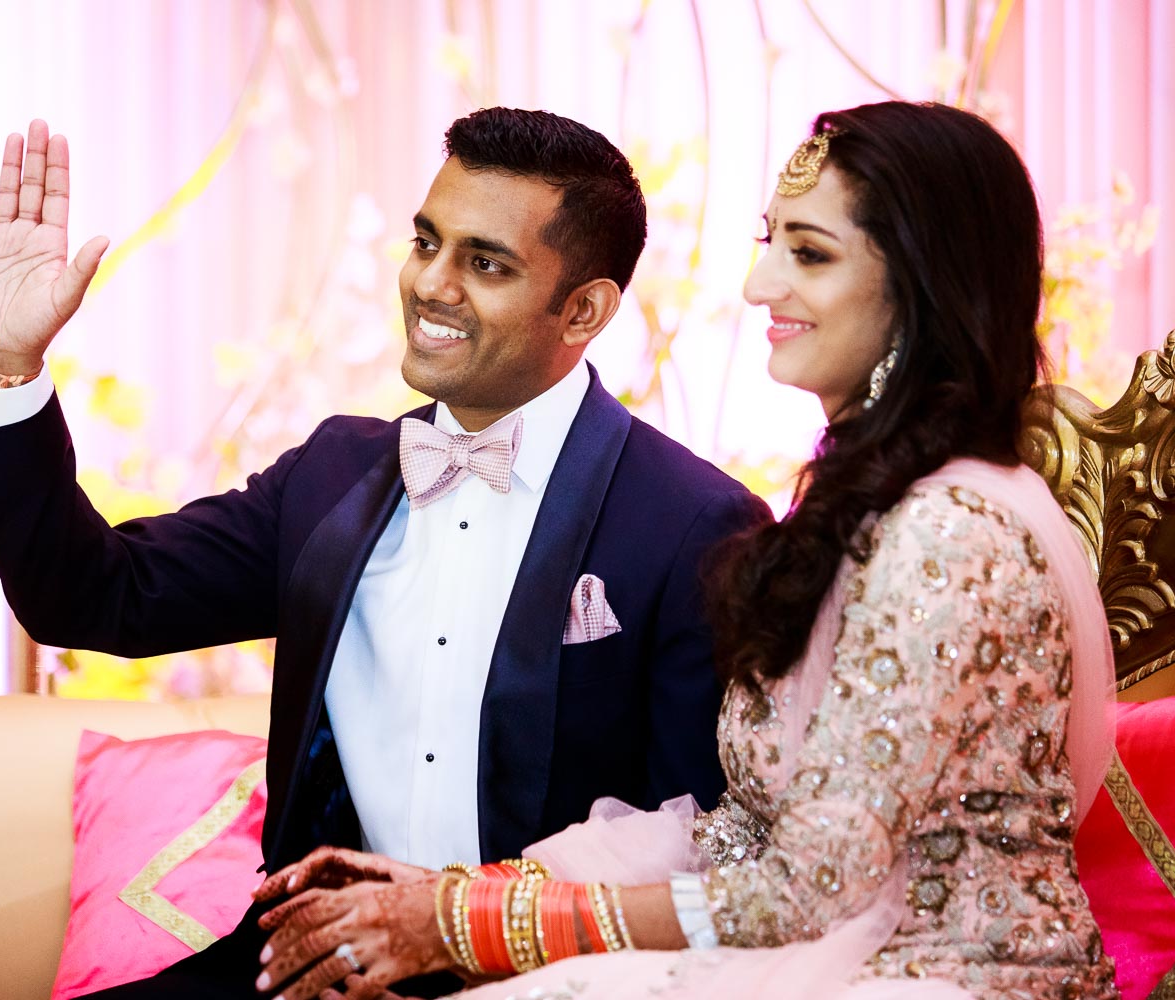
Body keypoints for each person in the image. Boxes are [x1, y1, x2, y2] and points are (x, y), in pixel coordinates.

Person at [250, 101, 1121, 1000]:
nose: (759, 286)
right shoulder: (858, 509)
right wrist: (464, 891)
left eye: (809, 255)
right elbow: (741, 826)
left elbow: (805, 890)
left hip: (944, 975)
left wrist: (467, 923)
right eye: (769, 241)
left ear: (924, 286)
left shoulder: (944, 536)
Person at [0, 108, 770, 998]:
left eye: (485, 263)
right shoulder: (333, 475)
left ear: (583, 308)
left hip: (544, 979)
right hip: (304, 971)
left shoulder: (695, 524)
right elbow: (96, 598)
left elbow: (707, 846)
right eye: (425, 243)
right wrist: (4, 365)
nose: (431, 285)